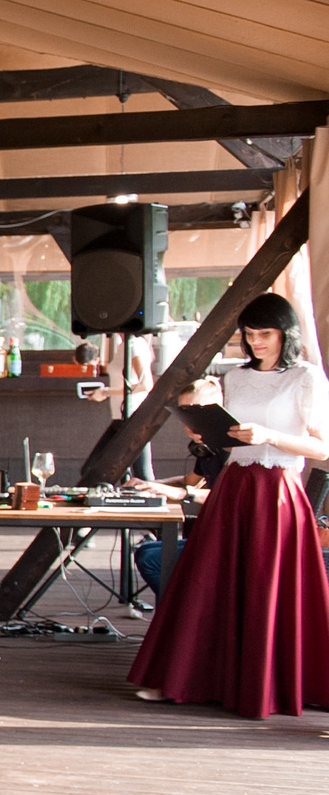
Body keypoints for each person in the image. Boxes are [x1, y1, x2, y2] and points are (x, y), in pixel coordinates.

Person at [129, 293, 329, 716]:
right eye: (250, 334)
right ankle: (183, 680)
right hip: (234, 487)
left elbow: (322, 448)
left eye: (265, 334)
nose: (256, 342)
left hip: (278, 491)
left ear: (285, 333)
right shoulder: (235, 377)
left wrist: (269, 436)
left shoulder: (306, 377)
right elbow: (231, 440)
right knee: (208, 584)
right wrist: (208, 435)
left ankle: (268, 686)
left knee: (267, 587)